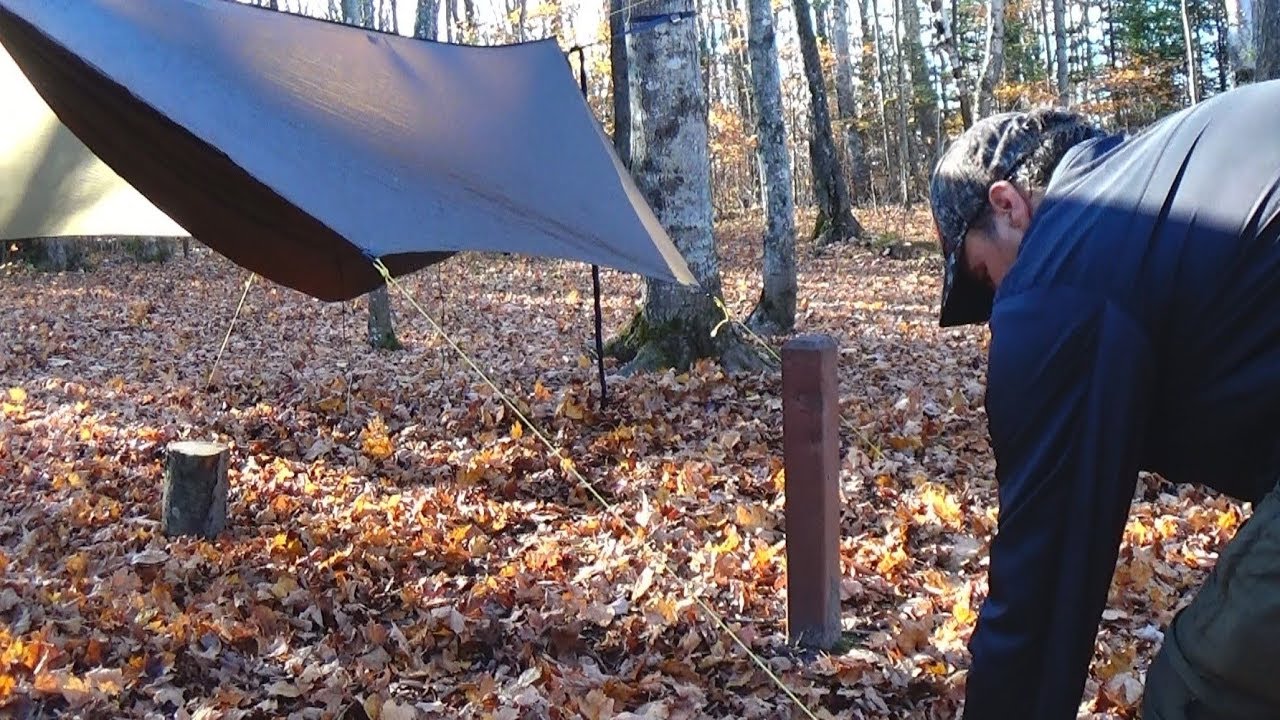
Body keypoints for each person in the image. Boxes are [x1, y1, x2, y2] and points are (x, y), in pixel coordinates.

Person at [928, 78, 1280, 720]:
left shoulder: (1060, 277)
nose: (997, 308)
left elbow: (1040, 586)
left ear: (1007, 204)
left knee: (1199, 690)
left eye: (984, 278)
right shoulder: (1157, 189)